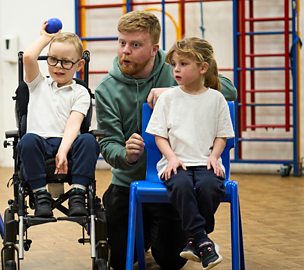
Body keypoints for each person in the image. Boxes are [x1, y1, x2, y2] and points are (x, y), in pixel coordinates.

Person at [95, 10, 237, 270]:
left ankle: (166, 236)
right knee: (119, 260)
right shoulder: (106, 89)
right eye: (121, 42)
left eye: (135, 45)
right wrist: (126, 154)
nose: (125, 50)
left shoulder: (177, 66)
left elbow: (228, 89)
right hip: (128, 182)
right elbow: (107, 143)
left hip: (174, 180)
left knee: (171, 261)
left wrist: (177, 90)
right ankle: (143, 236)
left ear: (154, 49)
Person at [146, 37, 234, 270]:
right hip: (176, 163)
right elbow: (159, 136)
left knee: (210, 187)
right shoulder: (168, 98)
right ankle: (203, 241)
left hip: (206, 162)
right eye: (174, 64)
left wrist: (215, 156)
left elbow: (222, 135)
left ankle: (196, 239)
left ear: (203, 68)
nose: (176, 69)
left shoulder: (216, 99)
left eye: (183, 64)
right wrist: (172, 158)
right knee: (182, 187)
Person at [18, 22, 99, 218]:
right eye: (53, 60)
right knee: (27, 140)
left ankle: (78, 194)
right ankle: (40, 195)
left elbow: (74, 123)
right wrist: (46, 38)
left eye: (66, 62)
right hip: (40, 145)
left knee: (88, 140)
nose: (58, 66)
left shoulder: (81, 92)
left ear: (79, 65)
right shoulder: (38, 84)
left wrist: (63, 150)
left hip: (69, 146)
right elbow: (29, 57)